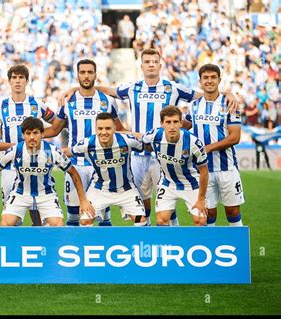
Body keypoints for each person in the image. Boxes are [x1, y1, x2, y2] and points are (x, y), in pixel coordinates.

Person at [61, 48, 237, 226]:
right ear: (142, 66)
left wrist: (227, 94)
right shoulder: (132, 88)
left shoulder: (173, 87)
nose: (151, 65)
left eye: (154, 61)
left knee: (168, 202)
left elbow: (205, 95)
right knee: (143, 204)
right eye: (147, 62)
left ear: (160, 65)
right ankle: (148, 239)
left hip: (164, 156)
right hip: (138, 156)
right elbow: (108, 90)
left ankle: (171, 239)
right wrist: (77, 88)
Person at [0, 118, 94, 226]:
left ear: (42, 134)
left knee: (57, 225)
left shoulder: (52, 151)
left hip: (46, 194)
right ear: (23, 135)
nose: (32, 137)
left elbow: (73, 172)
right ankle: (12, 253)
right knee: (6, 224)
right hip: (20, 193)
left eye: (35, 133)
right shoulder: (15, 150)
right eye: (28, 133)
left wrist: (83, 200)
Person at [44, 59, 124, 227]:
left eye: (90, 72)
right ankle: (73, 250)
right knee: (73, 216)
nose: (86, 76)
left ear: (95, 74)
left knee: (103, 216)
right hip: (75, 166)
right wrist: (27, 136)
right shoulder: (68, 102)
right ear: (77, 74)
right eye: (82, 72)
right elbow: (54, 130)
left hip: (101, 166)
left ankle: (103, 250)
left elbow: (120, 131)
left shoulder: (107, 102)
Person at [0, 64, 58, 226]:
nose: (17, 81)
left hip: (35, 165)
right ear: (9, 81)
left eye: (21, 78)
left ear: (27, 81)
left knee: (38, 214)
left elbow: (55, 125)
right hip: (9, 168)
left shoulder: (37, 104)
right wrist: (4, 135)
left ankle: (39, 245)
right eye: (14, 78)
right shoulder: (1, 105)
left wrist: (40, 136)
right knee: (12, 217)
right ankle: (16, 248)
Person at [183, 64, 245, 226]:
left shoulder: (230, 104)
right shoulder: (194, 106)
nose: (209, 81)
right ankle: (212, 249)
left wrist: (208, 148)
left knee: (233, 211)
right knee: (208, 213)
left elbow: (235, 137)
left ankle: (237, 248)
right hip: (203, 170)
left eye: (213, 77)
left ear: (219, 80)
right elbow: (183, 127)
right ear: (200, 82)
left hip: (227, 167)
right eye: (206, 78)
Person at [64, 112, 146, 226]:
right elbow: (66, 152)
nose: (103, 132)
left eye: (108, 128)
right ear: (96, 129)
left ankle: (138, 243)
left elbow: (145, 147)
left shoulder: (127, 141)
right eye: (100, 128)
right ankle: (92, 243)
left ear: (114, 129)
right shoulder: (87, 144)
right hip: (99, 190)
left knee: (140, 221)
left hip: (126, 190)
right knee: (85, 221)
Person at [142, 105, 208, 226]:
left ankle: (196, 245)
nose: (172, 126)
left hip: (191, 184)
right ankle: (169, 245)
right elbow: (144, 143)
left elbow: (204, 171)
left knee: (200, 221)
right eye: (168, 122)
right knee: (161, 220)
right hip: (168, 183)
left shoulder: (194, 143)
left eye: (175, 122)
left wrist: (201, 199)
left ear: (181, 123)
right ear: (161, 123)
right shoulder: (153, 136)